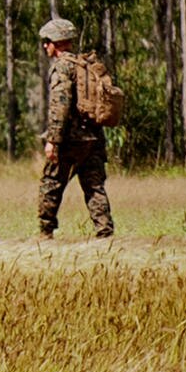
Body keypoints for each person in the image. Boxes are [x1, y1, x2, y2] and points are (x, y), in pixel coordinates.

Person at [33, 13, 119, 242]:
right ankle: (105, 232)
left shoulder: (62, 68)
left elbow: (59, 106)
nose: (44, 46)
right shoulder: (86, 65)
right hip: (94, 137)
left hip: (70, 140)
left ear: (55, 43)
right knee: (94, 187)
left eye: (47, 42)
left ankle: (45, 232)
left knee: (50, 184)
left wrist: (53, 140)